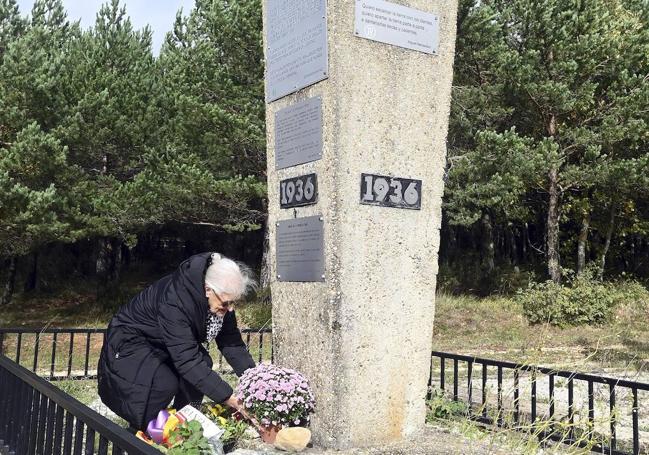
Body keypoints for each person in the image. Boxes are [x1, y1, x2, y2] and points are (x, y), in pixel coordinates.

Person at [97, 252, 256, 430]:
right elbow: (187, 362)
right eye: (226, 303)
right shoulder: (176, 301)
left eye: (234, 302)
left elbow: (232, 344)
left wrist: (256, 381)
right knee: (164, 383)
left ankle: (186, 421)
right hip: (132, 337)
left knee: (204, 362)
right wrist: (230, 399)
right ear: (208, 289)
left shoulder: (220, 301)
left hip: (163, 337)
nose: (230, 308)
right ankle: (144, 432)